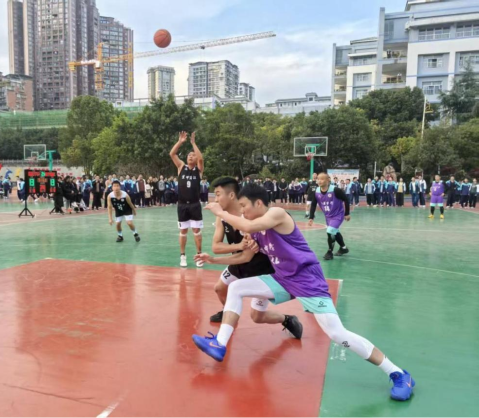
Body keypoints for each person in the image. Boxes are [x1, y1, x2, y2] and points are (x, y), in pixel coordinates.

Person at [193, 184, 415, 402]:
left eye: (244, 206)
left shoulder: (277, 214)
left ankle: (399, 374)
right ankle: (219, 344)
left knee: (337, 334)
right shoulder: (257, 232)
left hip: (307, 281)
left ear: (258, 203)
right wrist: (213, 260)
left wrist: (221, 213)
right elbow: (244, 257)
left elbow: (248, 225)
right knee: (236, 287)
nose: (242, 211)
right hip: (282, 279)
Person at [205, 177, 298, 331]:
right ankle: (229, 313)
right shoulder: (222, 217)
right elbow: (216, 247)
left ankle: (287, 319)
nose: (215, 199)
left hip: (260, 269)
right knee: (220, 288)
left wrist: (215, 259)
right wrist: (238, 245)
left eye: (218, 194)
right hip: (238, 263)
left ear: (231, 195)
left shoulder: (250, 217)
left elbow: (246, 256)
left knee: (257, 317)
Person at [170, 131, 204, 268]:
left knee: (196, 231)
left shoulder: (198, 170)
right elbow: (172, 154)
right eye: (189, 154)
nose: (191, 156)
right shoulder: (181, 167)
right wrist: (180, 142)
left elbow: (201, 159)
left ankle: (199, 256)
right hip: (182, 205)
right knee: (183, 231)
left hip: (195, 205)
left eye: (193, 155)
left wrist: (193, 143)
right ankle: (182, 256)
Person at [308, 173, 350, 261]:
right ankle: (343, 248)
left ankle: (330, 251)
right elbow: (313, 204)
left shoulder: (335, 190)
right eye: (318, 179)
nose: (319, 181)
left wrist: (347, 213)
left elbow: (346, 199)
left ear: (328, 180)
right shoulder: (317, 191)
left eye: (322, 179)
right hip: (328, 216)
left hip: (338, 214)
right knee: (335, 232)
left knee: (330, 231)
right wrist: (311, 217)